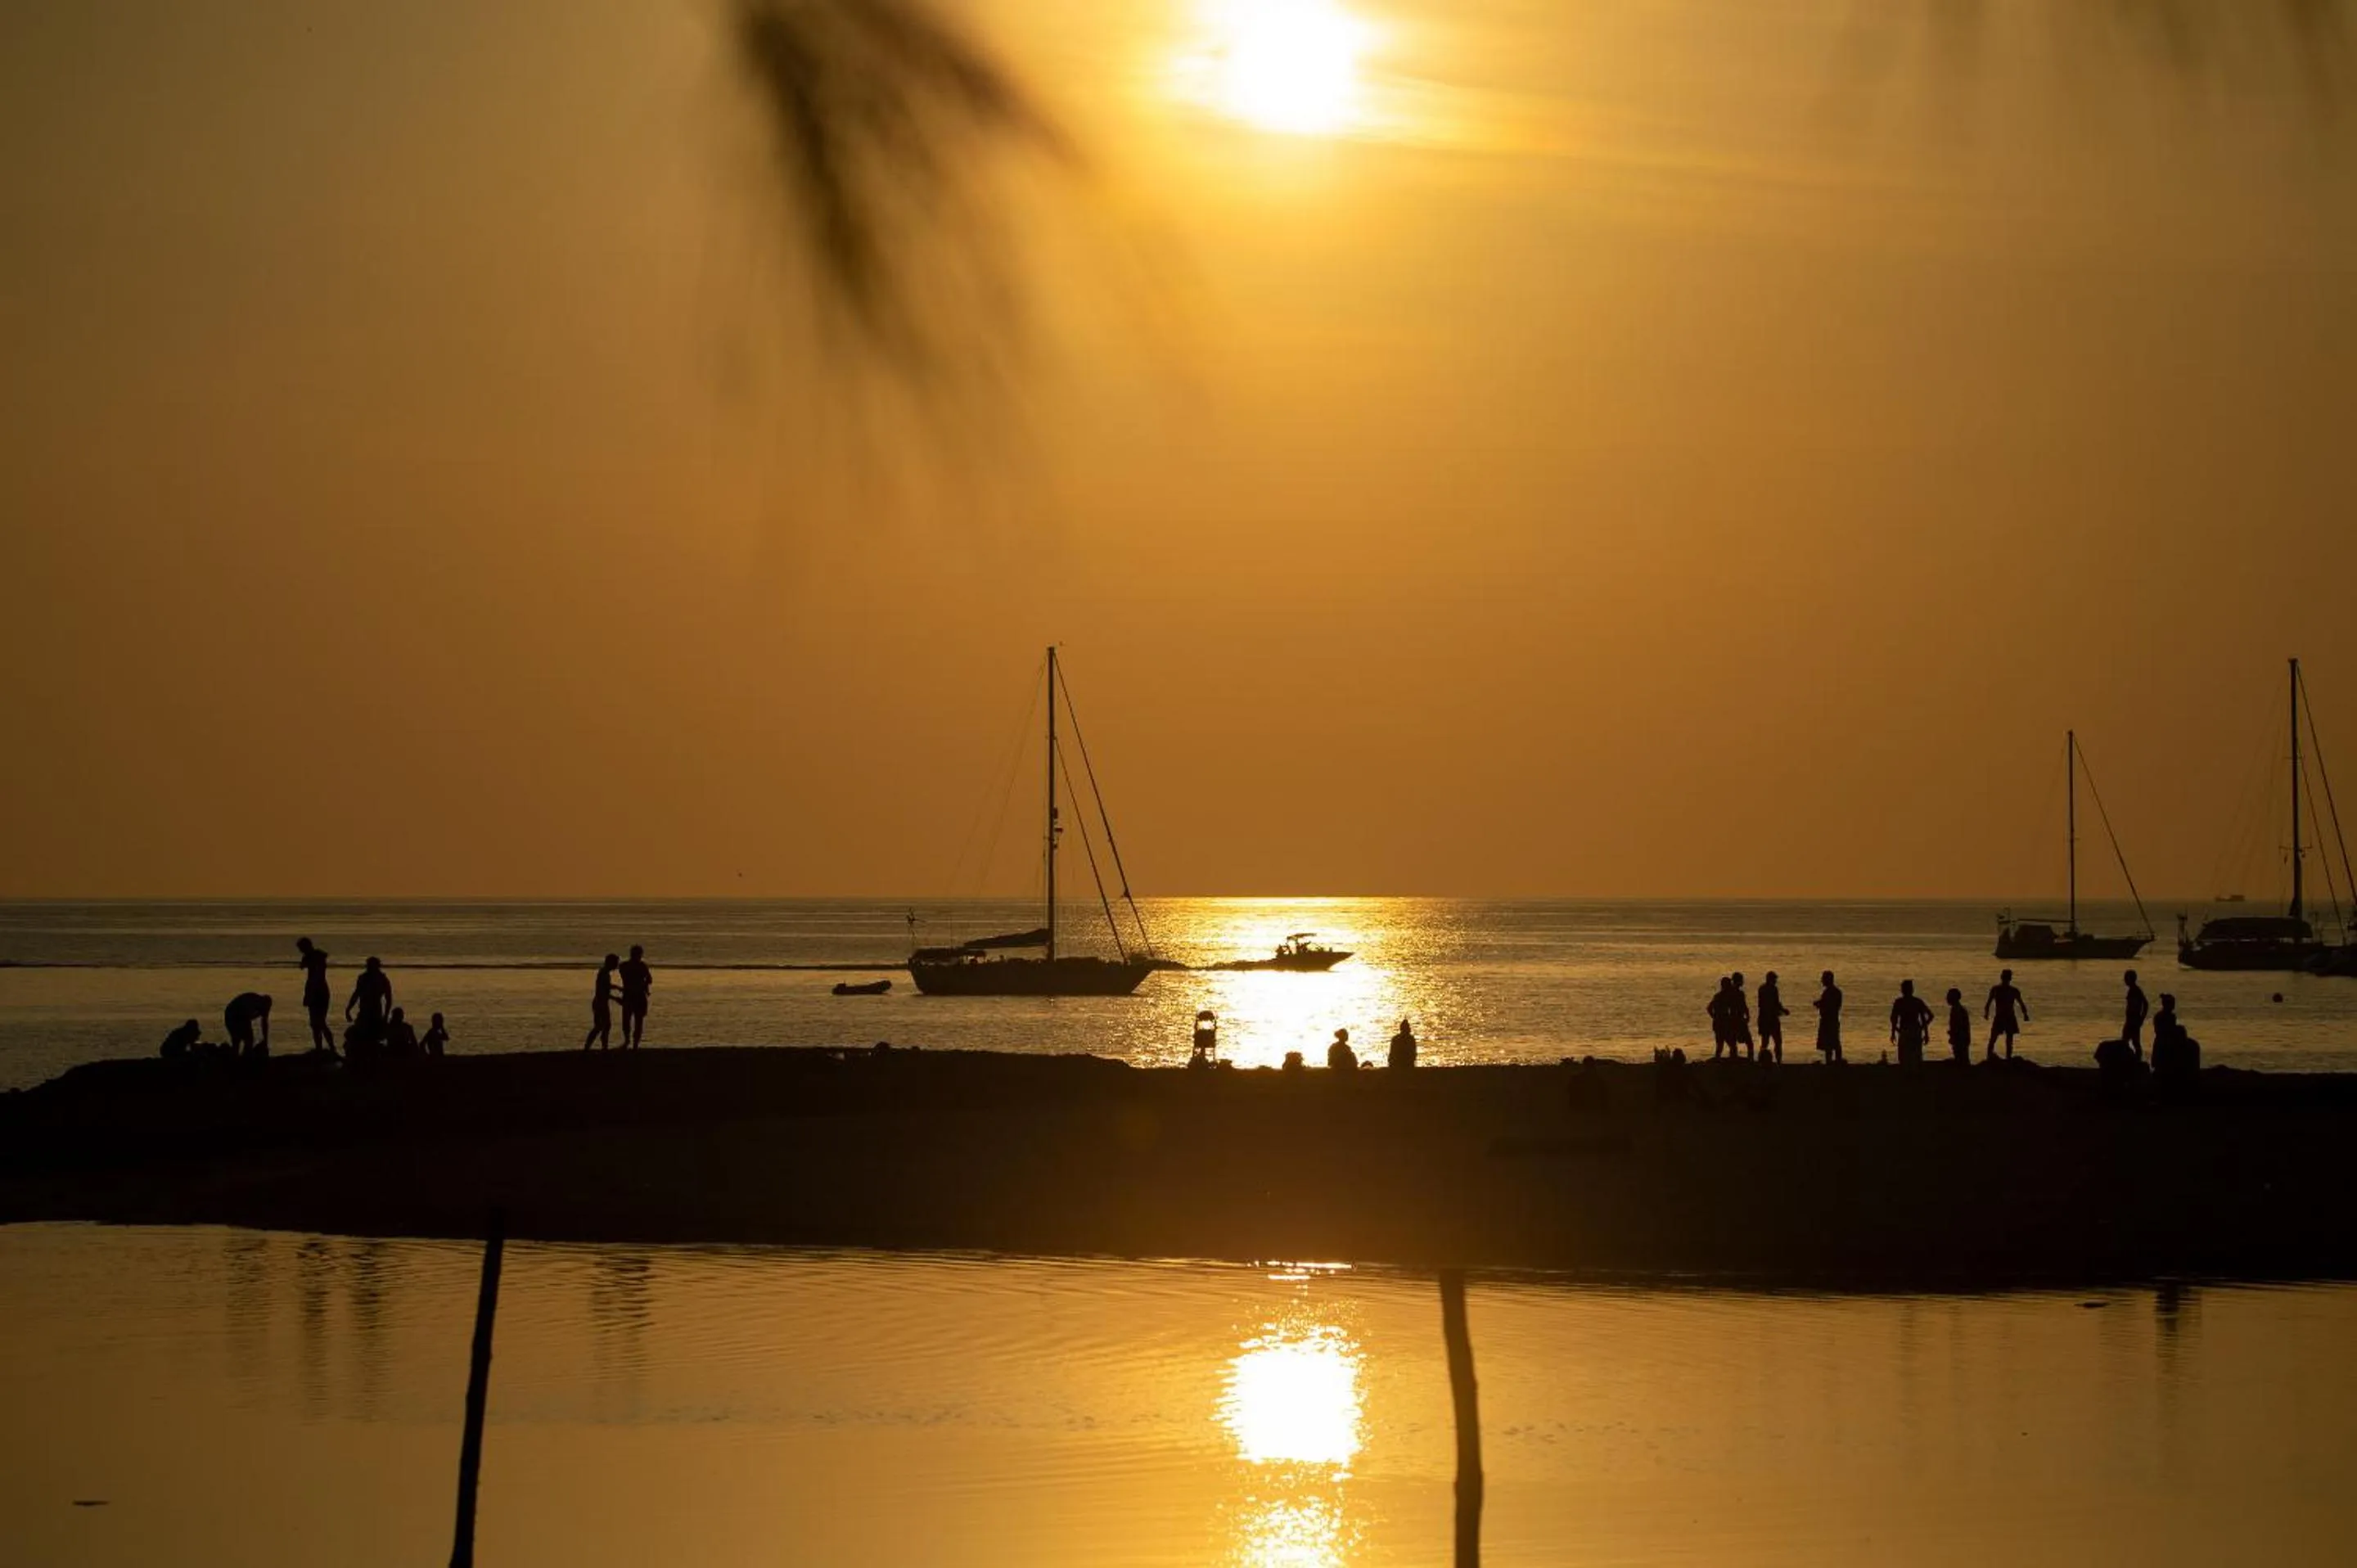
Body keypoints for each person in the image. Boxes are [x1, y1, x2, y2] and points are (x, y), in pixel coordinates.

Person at [295, 938, 335, 1054]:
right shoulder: (313, 956)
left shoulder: (315, 957)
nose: (301, 951)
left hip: (318, 991)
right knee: (315, 1023)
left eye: (301, 948)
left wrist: (309, 994)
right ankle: (320, 1047)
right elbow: (302, 966)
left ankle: (330, 1047)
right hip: (317, 990)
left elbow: (315, 976)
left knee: (320, 1022)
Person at [2152, 994, 2201, 1084]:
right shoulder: (2164, 1017)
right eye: (2172, 1004)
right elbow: (2162, 1031)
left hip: (2165, 1041)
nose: (2173, 1006)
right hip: (2164, 1043)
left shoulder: (2165, 1016)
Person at [345, 957, 393, 1045]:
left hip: (375, 1011)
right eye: (369, 966)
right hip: (364, 1011)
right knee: (361, 1035)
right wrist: (348, 1009)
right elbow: (356, 994)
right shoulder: (363, 978)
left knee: (373, 1036)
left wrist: (386, 1015)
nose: (369, 968)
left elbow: (388, 999)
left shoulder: (382, 979)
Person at [1983, 968, 2029, 1060]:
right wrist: (2025, 1014)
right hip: (2004, 1016)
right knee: (1998, 1038)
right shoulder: (1998, 989)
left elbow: (2021, 1003)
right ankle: (1996, 1056)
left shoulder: (2008, 990)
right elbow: (2021, 1004)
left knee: (2002, 1039)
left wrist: (2025, 1014)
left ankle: (2005, 1057)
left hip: (2007, 1016)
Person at [1889, 980, 1932, 1067]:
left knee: (1905, 1056)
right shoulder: (1917, 1002)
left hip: (1905, 1031)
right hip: (1915, 1030)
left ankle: (1909, 1074)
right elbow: (1928, 1017)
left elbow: (1894, 1019)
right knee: (1915, 1055)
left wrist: (1894, 1032)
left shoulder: (1899, 1002)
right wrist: (1924, 1030)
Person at [617, 944, 653, 1049]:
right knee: (637, 1021)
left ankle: (629, 1041)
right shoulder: (641, 966)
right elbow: (649, 980)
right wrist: (643, 985)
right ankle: (633, 1043)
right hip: (637, 996)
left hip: (630, 995)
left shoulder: (624, 966)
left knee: (629, 1020)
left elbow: (648, 980)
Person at [584, 953, 620, 1051]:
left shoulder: (604, 973)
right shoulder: (604, 973)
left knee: (604, 1026)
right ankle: (591, 1047)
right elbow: (603, 991)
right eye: (616, 963)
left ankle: (602, 1046)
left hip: (601, 1002)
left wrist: (617, 988)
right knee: (601, 1026)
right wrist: (616, 998)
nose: (617, 965)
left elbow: (606, 987)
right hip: (600, 1003)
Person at [224, 991, 273, 1057]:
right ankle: (244, 1058)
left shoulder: (263, 1007)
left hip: (235, 1014)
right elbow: (245, 1018)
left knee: (243, 1040)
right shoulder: (254, 1001)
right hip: (232, 1014)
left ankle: (240, 1057)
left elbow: (264, 1024)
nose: (265, 1012)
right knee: (243, 1039)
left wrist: (265, 1041)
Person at [1756, 972, 1787, 1064]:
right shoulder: (1773, 989)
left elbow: (1762, 1005)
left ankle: (1762, 1060)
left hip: (1764, 1018)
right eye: (1774, 979)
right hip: (1771, 1019)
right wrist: (1783, 1010)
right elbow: (1776, 1003)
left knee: (1765, 1041)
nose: (1775, 981)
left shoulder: (1762, 989)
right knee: (1777, 1041)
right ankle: (1778, 1061)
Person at [1814, 971, 1844, 1064]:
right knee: (1834, 1042)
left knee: (1831, 1043)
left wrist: (1819, 1004)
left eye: (1823, 979)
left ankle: (1831, 1062)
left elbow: (1828, 1005)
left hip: (1829, 1020)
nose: (1822, 981)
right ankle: (1835, 1061)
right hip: (1832, 1020)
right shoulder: (1836, 992)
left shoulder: (1830, 992)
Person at [2122, 970, 2151, 1057]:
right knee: (2130, 1041)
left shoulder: (2135, 990)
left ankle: (2135, 1058)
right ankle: (2132, 1058)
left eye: (2126, 978)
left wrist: (2141, 1018)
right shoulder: (2133, 990)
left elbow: (2145, 1004)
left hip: (2133, 1021)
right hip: (2132, 1020)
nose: (2125, 980)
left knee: (2130, 1041)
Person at [1726, 971, 1754, 1060]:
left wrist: (1748, 1015)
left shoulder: (1739, 993)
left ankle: (1747, 1060)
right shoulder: (1732, 993)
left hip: (1739, 1019)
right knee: (1745, 1042)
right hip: (1736, 1020)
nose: (1743, 982)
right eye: (1741, 980)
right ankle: (1746, 1060)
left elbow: (1744, 1006)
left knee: (1738, 1043)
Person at [1707, 977, 1734, 1060]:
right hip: (1722, 1023)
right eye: (1729, 984)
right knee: (1731, 1045)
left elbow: (1709, 1008)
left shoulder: (1719, 996)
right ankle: (1731, 1061)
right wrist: (1715, 1017)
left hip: (1719, 1023)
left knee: (1720, 1045)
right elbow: (1709, 1008)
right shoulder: (1723, 996)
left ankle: (1719, 1060)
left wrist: (1714, 1017)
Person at [1945, 987, 1972, 1066]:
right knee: (1961, 1057)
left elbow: (1959, 1025)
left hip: (1960, 1038)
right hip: (1961, 1038)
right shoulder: (1957, 1009)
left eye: (1949, 997)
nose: (1947, 998)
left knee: (1961, 1057)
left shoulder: (1957, 1010)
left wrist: (1953, 1034)